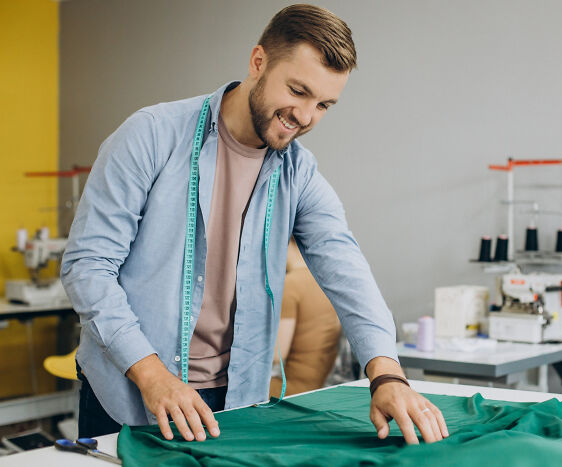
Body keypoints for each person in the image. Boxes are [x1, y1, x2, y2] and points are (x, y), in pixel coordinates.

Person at [61, 4, 448, 445]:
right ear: (258, 62)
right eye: (298, 91)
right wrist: (153, 375)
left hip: (233, 402)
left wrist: (386, 375)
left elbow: (347, 269)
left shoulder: (298, 172)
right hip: (130, 391)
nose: (305, 116)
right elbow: (87, 267)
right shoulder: (151, 135)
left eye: (323, 104)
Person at [270, 238, 342, 398]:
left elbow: (277, 355)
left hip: (290, 389)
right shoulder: (326, 281)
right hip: (320, 384)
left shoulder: (291, 285)